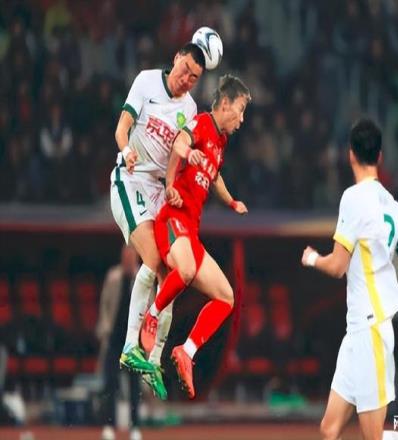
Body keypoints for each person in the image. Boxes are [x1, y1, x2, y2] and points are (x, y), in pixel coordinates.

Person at [301, 119, 398, 440]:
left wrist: (312, 258)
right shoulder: (392, 205)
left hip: (371, 330)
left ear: (350, 155)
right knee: (329, 429)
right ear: (380, 157)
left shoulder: (353, 197)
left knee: (372, 437)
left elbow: (337, 266)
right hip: (358, 332)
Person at [140, 74, 251, 400]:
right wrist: (179, 170)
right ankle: (151, 315)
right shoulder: (202, 122)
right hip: (172, 220)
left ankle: (186, 351)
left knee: (226, 297)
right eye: (240, 110)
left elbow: (214, 176)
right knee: (186, 270)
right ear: (226, 104)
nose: (242, 120)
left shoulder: (220, 142)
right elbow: (179, 143)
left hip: (191, 232)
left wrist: (231, 201)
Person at [110, 42, 206, 399]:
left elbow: (176, 159)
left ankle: (154, 359)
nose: (186, 80)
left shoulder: (190, 109)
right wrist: (126, 151)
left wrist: (171, 186)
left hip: (156, 192)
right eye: (184, 70)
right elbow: (122, 128)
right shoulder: (146, 81)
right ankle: (128, 348)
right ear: (176, 59)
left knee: (171, 275)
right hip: (130, 179)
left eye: (194, 78)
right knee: (152, 259)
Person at [96, 245, 142, 440]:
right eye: (126, 258)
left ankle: (135, 427)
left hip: (134, 341)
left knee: (134, 387)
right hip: (114, 339)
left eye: (131, 258)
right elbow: (104, 305)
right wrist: (105, 329)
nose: (128, 262)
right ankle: (109, 425)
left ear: (136, 259)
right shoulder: (113, 277)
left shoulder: (143, 278)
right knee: (110, 384)